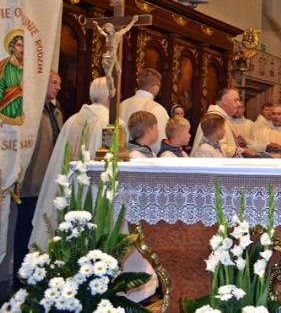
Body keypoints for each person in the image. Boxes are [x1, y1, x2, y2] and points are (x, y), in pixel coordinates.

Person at [29, 77, 114, 251]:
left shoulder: (72, 120)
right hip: (90, 193)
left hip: (67, 187)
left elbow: (58, 159)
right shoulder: (109, 123)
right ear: (109, 96)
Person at [14, 72, 63, 284]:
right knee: (25, 231)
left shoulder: (56, 111)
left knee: (44, 231)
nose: (58, 87)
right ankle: (20, 278)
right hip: (31, 182)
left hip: (50, 182)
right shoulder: (31, 111)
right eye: (54, 82)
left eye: (59, 83)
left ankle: (39, 279)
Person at [119, 68, 169, 155]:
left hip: (120, 157)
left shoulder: (121, 105)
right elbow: (160, 145)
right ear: (155, 87)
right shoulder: (158, 109)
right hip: (145, 158)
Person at [191, 88, 244, 157]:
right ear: (224, 101)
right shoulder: (214, 119)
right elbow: (214, 146)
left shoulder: (222, 117)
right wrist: (242, 150)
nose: (239, 104)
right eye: (236, 100)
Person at [0, 30, 24, 125]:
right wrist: (18, 89)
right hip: (5, 114)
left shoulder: (27, 67)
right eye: (18, 45)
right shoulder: (4, 66)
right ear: (12, 47)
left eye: (23, 46)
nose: (22, 49)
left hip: (20, 116)